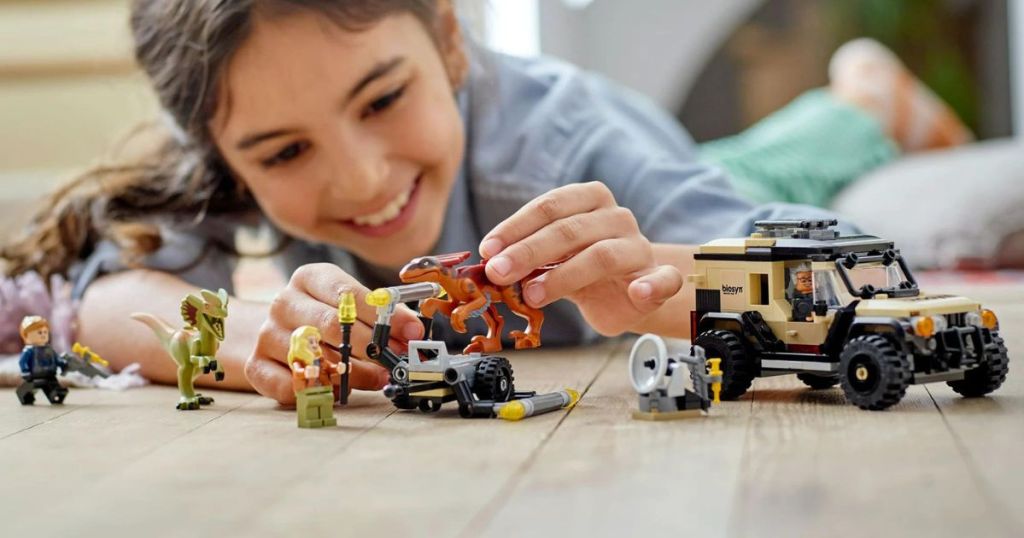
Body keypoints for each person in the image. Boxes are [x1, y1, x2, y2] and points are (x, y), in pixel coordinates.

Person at [0, 1, 969, 405]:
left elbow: (834, 271)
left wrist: (656, 282)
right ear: (223, 155)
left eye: (383, 99)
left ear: (450, 47)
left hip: (678, 177)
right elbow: (111, 297)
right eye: (285, 152)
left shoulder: (558, 141)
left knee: (788, 167)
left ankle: (864, 96)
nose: (363, 179)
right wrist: (249, 332)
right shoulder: (227, 131)